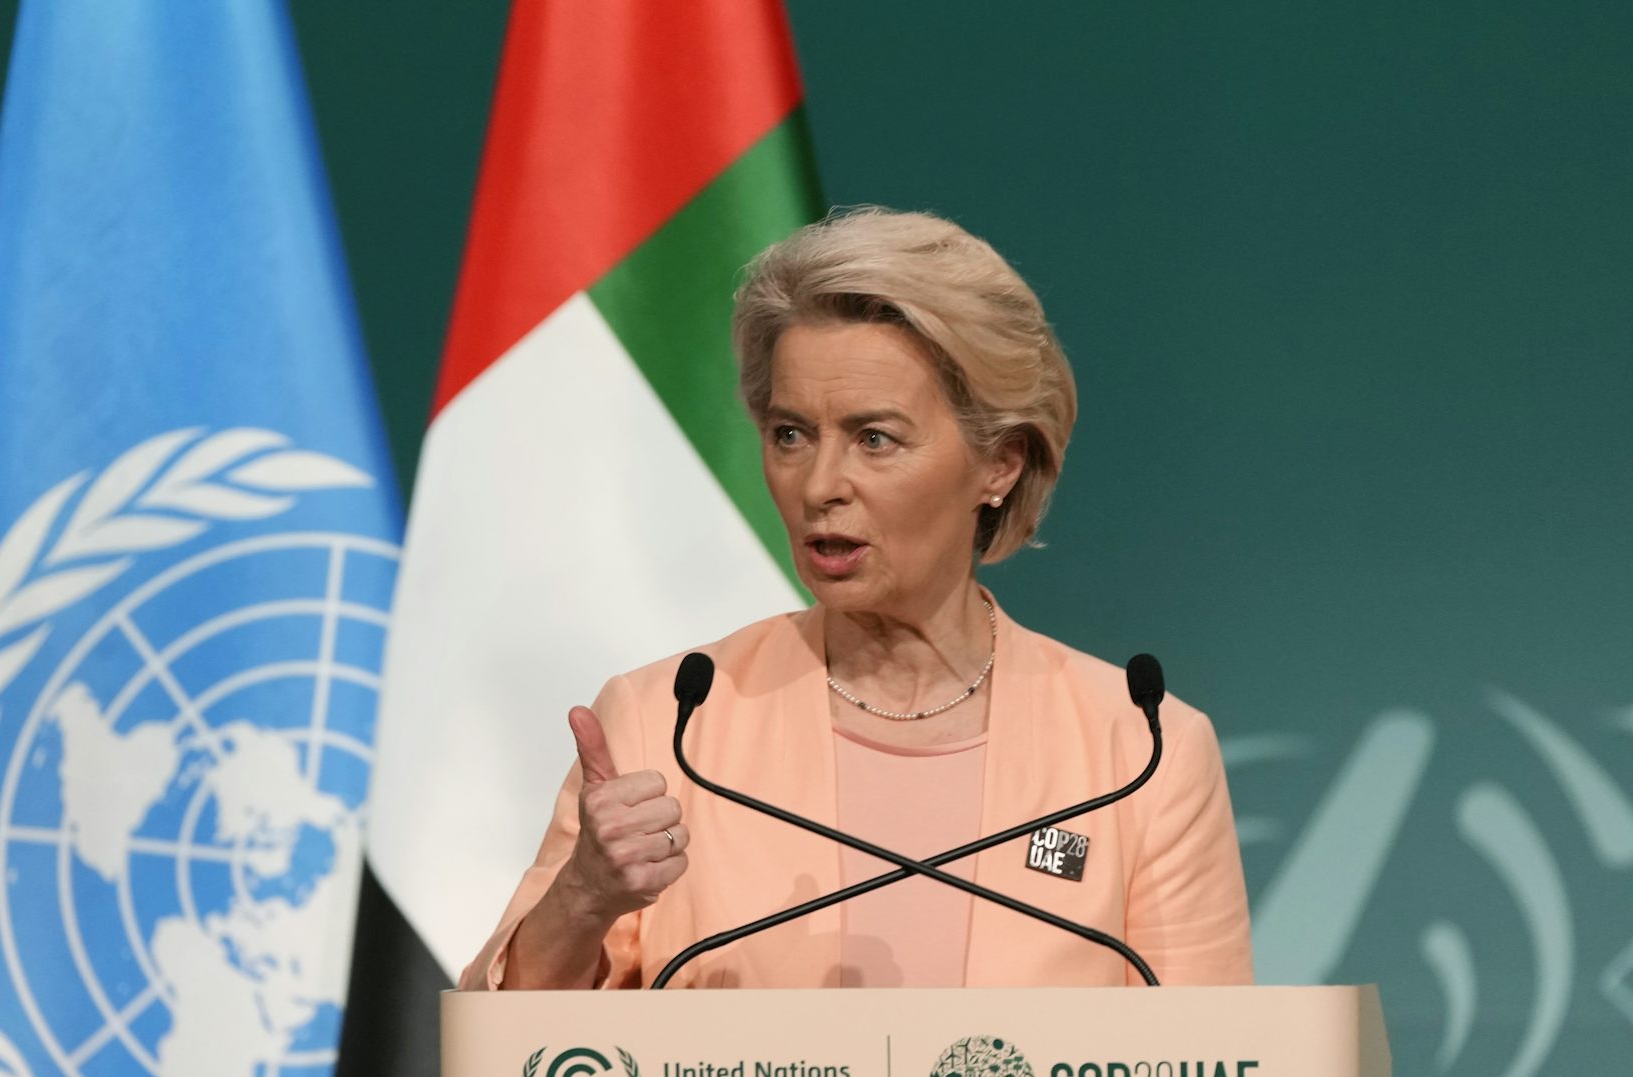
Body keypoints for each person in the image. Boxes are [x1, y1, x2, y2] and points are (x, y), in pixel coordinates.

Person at [459, 207, 1253, 992]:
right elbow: (508, 1051)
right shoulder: (671, 724)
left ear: (1000, 464)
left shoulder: (1140, 754)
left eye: (875, 439)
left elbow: (1205, 1061)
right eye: (791, 435)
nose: (819, 486)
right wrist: (584, 897)